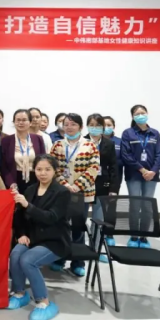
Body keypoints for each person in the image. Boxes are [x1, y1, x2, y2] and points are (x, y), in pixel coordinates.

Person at [8, 154, 71, 320]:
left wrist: (28, 205)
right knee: (15, 254)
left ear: (55, 171)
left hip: (54, 240)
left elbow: (51, 217)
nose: (43, 173)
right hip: (32, 237)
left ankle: (44, 302)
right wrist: (22, 234)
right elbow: (19, 218)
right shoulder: (30, 190)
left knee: (27, 260)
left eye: (47, 169)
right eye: (39, 169)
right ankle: (19, 293)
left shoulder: (62, 192)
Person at [49, 113, 99, 276]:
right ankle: (59, 258)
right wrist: (65, 185)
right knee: (61, 225)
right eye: (66, 124)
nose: (69, 127)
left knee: (78, 226)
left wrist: (77, 186)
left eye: (73, 124)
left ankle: (78, 262)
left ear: (80, 127)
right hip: (61, 192)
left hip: (82, 193)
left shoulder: (90, 145)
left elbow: (94, 168)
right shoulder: (57, 145)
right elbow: (52, 167)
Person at [121, 104, 160, 249]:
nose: (141, 115)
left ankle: (144, 236)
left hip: (151, 176)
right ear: (132, 117)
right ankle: (134, 236)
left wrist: (152, 171)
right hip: (134, 174)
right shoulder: (128, 133)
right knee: (135, 205)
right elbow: (126, 155)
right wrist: (142, 169)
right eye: (137, 113)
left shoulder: (155, 134)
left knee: (147, 206)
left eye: (143, 113)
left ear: (147, 114)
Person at [85, 113, 119, 261]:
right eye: (91, 125)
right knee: (80, 219)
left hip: (102, 185)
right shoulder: (82, 142)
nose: (94, 128)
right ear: (87, 126)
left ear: (103, 127)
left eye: (98, 125)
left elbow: (114, 167)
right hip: (84, 185)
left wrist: (113, 189)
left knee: (98, 220)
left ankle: (96, 249)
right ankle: (80, 250)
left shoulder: (108, 144)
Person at [0, 110, 46, 195]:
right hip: (15, 180)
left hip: (35, 179)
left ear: (30, 122)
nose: (21, 123)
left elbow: (43, 161)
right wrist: (11, 182)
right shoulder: (6, 141)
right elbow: (3, 165)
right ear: (14, 122)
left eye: (24, 120)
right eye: (18, 120)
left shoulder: (38, 139)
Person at [103, 116, 124, 197]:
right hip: (100, 175)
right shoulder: (96, 141)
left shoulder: (120, 141)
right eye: (104, 125)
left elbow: (124, 158)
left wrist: (113, 163)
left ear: (113, 126)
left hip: (115, 176)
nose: (106, 127)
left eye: (109, 125)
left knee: (112, 200)